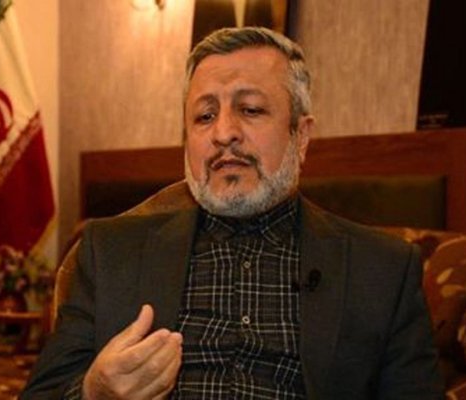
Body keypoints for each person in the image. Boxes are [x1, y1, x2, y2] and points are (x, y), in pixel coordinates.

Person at [22, 27, 444, 399]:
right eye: (204, 116)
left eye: (251, 109)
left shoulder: (383, 271)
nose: (224, 133)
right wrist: (94, 392)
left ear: (301, 136)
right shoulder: (110, 251)